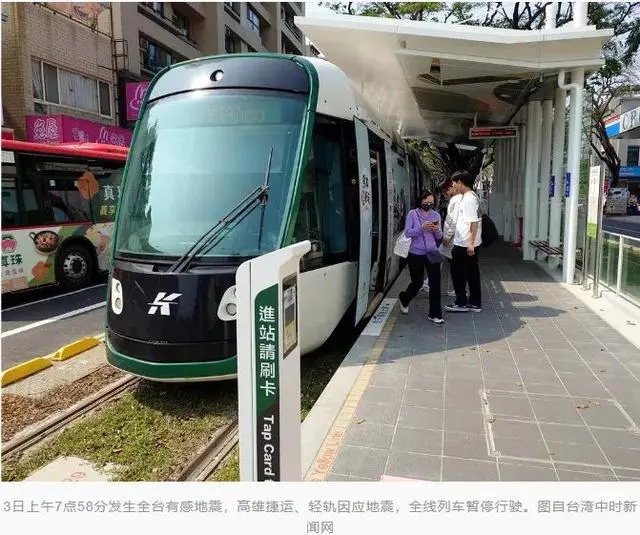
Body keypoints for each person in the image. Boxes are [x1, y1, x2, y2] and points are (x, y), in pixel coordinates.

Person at [398, 191, 444, 325]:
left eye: (431, 203)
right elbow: (408, 232)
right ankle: (404, 298)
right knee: (417, 282)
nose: (428, 205)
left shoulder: (436, 215)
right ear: (421, 201)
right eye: (426, 202)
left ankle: (435, 314)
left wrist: (436, 229)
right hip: (415, 253)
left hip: (432, 253)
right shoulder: (413, 214)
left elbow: (439, 236)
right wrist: (421, 228)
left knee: (435, 284)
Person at [445, 170, 482, 313]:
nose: (453, 186)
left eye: (454, 183)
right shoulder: (471, 196)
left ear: (460, 182)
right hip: (467, 243)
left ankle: (461, 302)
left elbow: (474, 223)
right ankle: (474, 303)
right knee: (472, 274)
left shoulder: (468, 199)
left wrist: (471, 244)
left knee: (458, 273)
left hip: (465, 244)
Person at [440, 178, 464, 298]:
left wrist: (447, 236)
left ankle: (460, 292)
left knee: (456, 267)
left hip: (454, 239)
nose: (445, 194)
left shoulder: (456, 200)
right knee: (453, 265)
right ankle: (458, 289)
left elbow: (454, 220)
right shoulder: (457, 199)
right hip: (454, 238)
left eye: (446, 191)